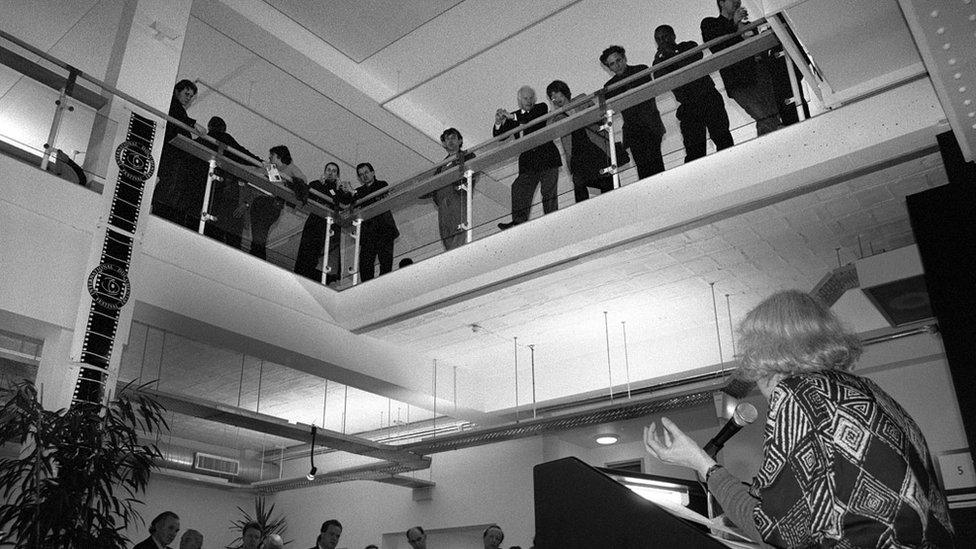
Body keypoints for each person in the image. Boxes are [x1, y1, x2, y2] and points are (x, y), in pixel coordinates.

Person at [643, 290, 955, 548]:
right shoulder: (866, 391)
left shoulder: (797, 394)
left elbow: (775, 529)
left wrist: (700, 463)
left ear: (761, 351)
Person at [653, 25, 734, 163]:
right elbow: (660, 78)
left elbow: (694, 57)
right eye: (658, 39)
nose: (662, 41)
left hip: (708, 97)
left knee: (722, 139)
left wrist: (672, 52)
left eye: (665, 36)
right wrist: (662, 58)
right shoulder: (659, 61)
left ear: (673, 35)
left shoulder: (688, 46)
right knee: (694, 151)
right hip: (688, 106)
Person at [701, 0, 782, 135]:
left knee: (771, 115)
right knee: (763, 116)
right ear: (721, 3)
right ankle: (780, 139)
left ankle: (773, 144)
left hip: (761, 74)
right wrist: (733, 23)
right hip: (738, 81)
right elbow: (715, 44)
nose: (737, 2)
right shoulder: (710, 24)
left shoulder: (749, 26)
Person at [493, 86, 562, 230]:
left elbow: (530, 119)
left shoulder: (540, 108)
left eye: (531, 98)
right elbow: (499, 136)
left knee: (548, 191)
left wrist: (512, 117)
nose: (529, 101)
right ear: (519, 100)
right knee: (518, 187)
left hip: (547, 157)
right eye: (526, 98)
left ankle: (552, 218)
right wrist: (499, 122)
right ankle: (518, 222)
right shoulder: (513, 116)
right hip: (528, 162)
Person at [600, 46, 666, 180]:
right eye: (612, 64)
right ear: (609, 68)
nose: (617, 65)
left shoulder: (640, 70)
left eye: (618, 60)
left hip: (650, 125)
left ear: (624, 58)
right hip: (633, 130)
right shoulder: (609, 87)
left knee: (656, 165)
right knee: (643, 170)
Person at [546, 80, 614, 203]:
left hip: (594, 146)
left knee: (607, 183)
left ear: (565, 92)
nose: (557, 99)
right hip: (576, 153)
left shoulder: (581, 99)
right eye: (553, 98)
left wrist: (569, 110)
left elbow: (597, 115)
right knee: (579, 184)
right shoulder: (555, 116)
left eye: (558, 94)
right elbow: (548, 128)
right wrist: (555, 110)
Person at [151, 79, 208, 229]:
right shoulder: (173, 105)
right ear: (177, 91)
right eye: (186, 93)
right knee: (168, 185)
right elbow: (176, 116)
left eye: (191, 96)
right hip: (171, 153)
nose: (188, 98)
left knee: (170, 185)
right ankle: (160, 213)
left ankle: (161, 211)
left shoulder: (178, 109)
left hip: (173, 153)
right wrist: (193, 124)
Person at [202, 116, 262, 249]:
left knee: (211, 230)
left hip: (210, 188)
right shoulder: (225, 140)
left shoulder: (205, 140)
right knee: (230, 238)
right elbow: (241, 153)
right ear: (223, 129)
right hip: (225, 193)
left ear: (209, 127)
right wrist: (260, 163)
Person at [294, 162, 354, 284]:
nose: (331, 172)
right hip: (315, 222)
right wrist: (322, 185)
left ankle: (319, 278)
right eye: (328, 170)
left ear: (338, 175)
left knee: (323, 252)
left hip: (330, 225)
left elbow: (347, 203)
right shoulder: (316, 184)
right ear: (324, 171)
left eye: (334, 171)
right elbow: (307, 194)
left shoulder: (340, 190)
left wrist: (347, 190)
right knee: (307, 250)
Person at [250, 145, 306, 261]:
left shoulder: (290, 168)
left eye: (272, 156)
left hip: (272, 204)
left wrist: (271, 170)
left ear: (279, 156)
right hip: (261, 201)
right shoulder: (274, 169)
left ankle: (257, 258)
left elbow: (302, 182)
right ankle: (256, 256)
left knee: (260, 235)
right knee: (257, 235)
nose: (270, 158)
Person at [423, 128, 474, 250]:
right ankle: (451, 255)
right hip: (442, 203)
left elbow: (472, 171)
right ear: (444, 143)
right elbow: (430, 186)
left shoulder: (467, 155)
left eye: (453, 138)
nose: (450, 141)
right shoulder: (440, 166)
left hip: (457, 196)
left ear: (460, 140)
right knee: (445, 232)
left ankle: (457, 255)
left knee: (459, 228)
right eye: (447, 139)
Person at [352, 163, 399, 281]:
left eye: (366, 172)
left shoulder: (382, 184)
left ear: (373, 173)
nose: (364, 176)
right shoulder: (358, 191)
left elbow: (374, 197)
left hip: (384, 230)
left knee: (386, 264)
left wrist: (354, 194)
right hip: (367, 233)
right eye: (361, 174)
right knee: (365, 266)